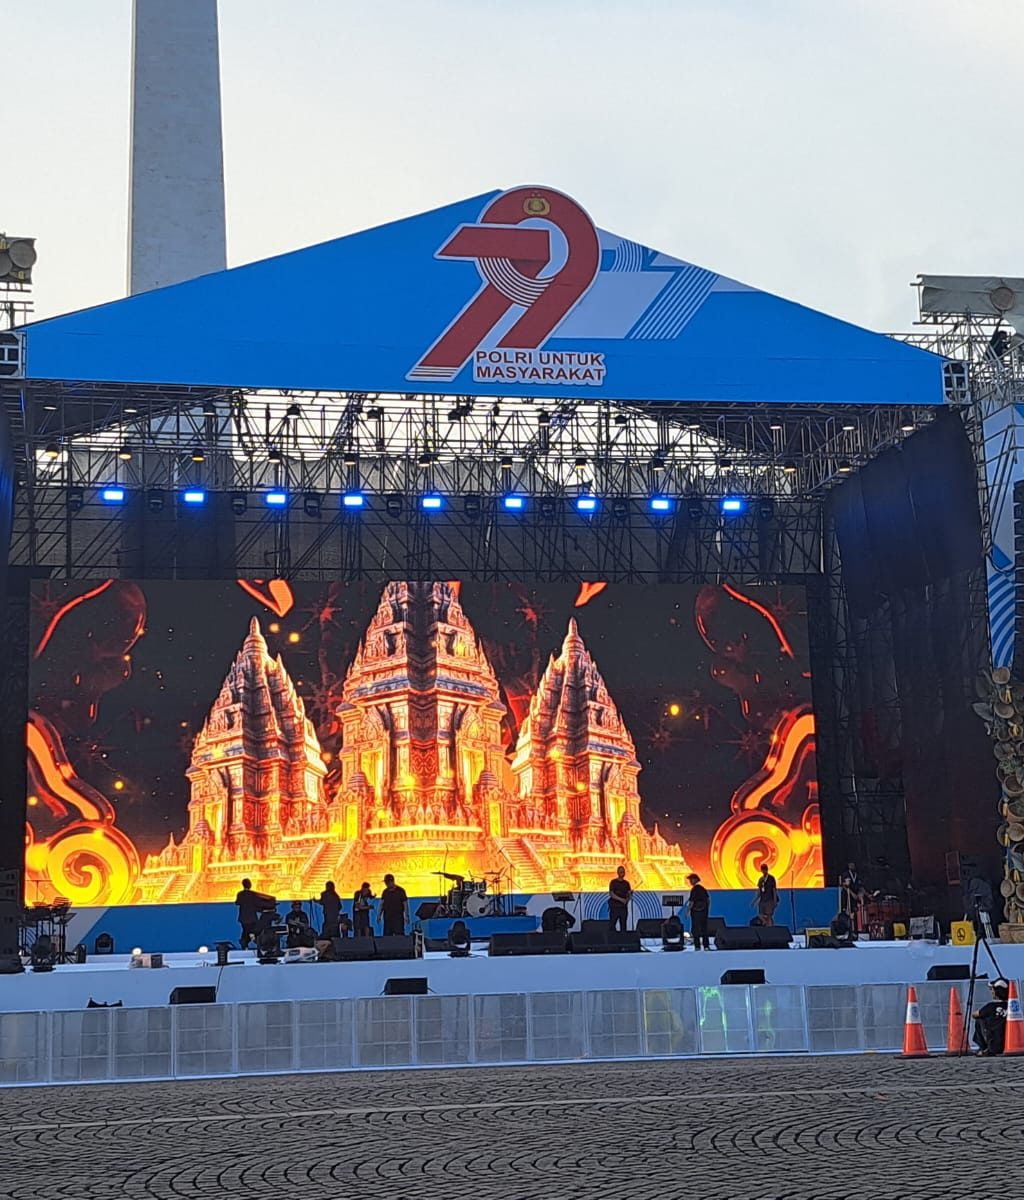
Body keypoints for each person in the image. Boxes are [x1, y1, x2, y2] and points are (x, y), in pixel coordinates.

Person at [973, 978, 1009, 1056]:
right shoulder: (1014, 1009)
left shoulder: (990, 1007)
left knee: (979, 1019)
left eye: (992, 990)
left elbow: (975, 1014)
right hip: (1010, 1044)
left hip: (994, 1046)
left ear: (997, 992)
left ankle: (984, 1048)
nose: (992, 992)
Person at [235, 878, 262, 949]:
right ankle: (251, 941)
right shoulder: (253, 894)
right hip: (252, 917)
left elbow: (237, 902)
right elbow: (258, 904)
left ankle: (245, 943)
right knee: (253, 931)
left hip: (243, 918)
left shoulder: (240, 894)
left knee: (245, 931)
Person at [687, 872, 711, 950]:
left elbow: (691, 902)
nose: (690, 882)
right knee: (704, 928)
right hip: (704, 912)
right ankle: (706, 946)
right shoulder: (703, 889)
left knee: (695, 929)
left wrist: (687, 911)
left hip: (696, 913)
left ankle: (697, 946)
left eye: (691, 880)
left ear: (694, 880)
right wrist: (706, 909)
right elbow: (708, 900)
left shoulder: (694, 890)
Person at [608, 865, 632, 933]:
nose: (622, 873)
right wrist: (621, 900)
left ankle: (623, 938)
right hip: (615, 907)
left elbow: (628, 894)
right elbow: (611, 894)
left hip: (623, 908)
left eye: (623, 872)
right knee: (612, 925)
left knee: (623, 926)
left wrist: (627, 899)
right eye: (621, 872)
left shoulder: (626, 883)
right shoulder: (613, 882)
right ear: (618, 873)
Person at [755, 862, 779, 927]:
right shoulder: (761, 879)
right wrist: (755, 901)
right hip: (762, 900)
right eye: (762, 869)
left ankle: (771, 929)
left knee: (769, 916)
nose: (764, 871)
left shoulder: (771, 878)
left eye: (765, 869)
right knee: (760, 915)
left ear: (767, 869)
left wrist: (775, 901)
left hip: (769, 900)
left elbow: (774, 890)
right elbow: (759, 891)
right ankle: (765, 924)